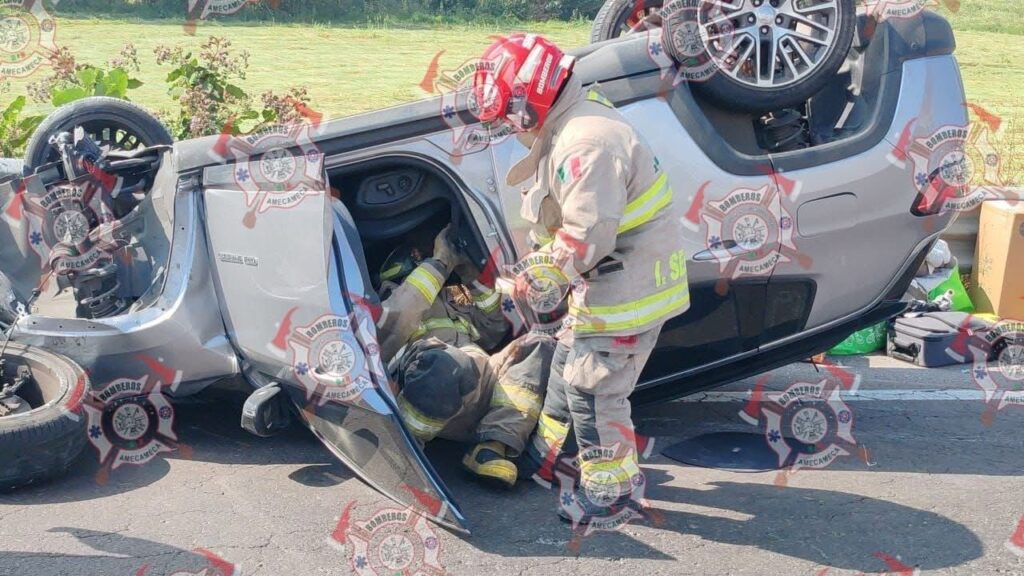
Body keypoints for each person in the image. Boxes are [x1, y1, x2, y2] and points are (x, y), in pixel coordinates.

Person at [472, 34, 691, 517]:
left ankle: (611, 492)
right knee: (565, 367)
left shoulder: (586, 142)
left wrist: (536, 278)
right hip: (610, 281)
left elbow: (587, 237)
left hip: (628, 293)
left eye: (510, 109)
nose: (507, 121)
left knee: (593, 392)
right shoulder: (570, 121)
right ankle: (546, 458)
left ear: (532, 96)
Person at [376, 225, 555, 488]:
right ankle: (406, 448)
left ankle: (491, 448)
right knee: (449, 364)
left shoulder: (453, 296)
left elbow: (494, 328)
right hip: (436, 379)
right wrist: (439, 262)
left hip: (478, 380)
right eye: (421, 257)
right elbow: (393, 326)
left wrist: (471, 275)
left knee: (538, 344)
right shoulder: (390, 297)